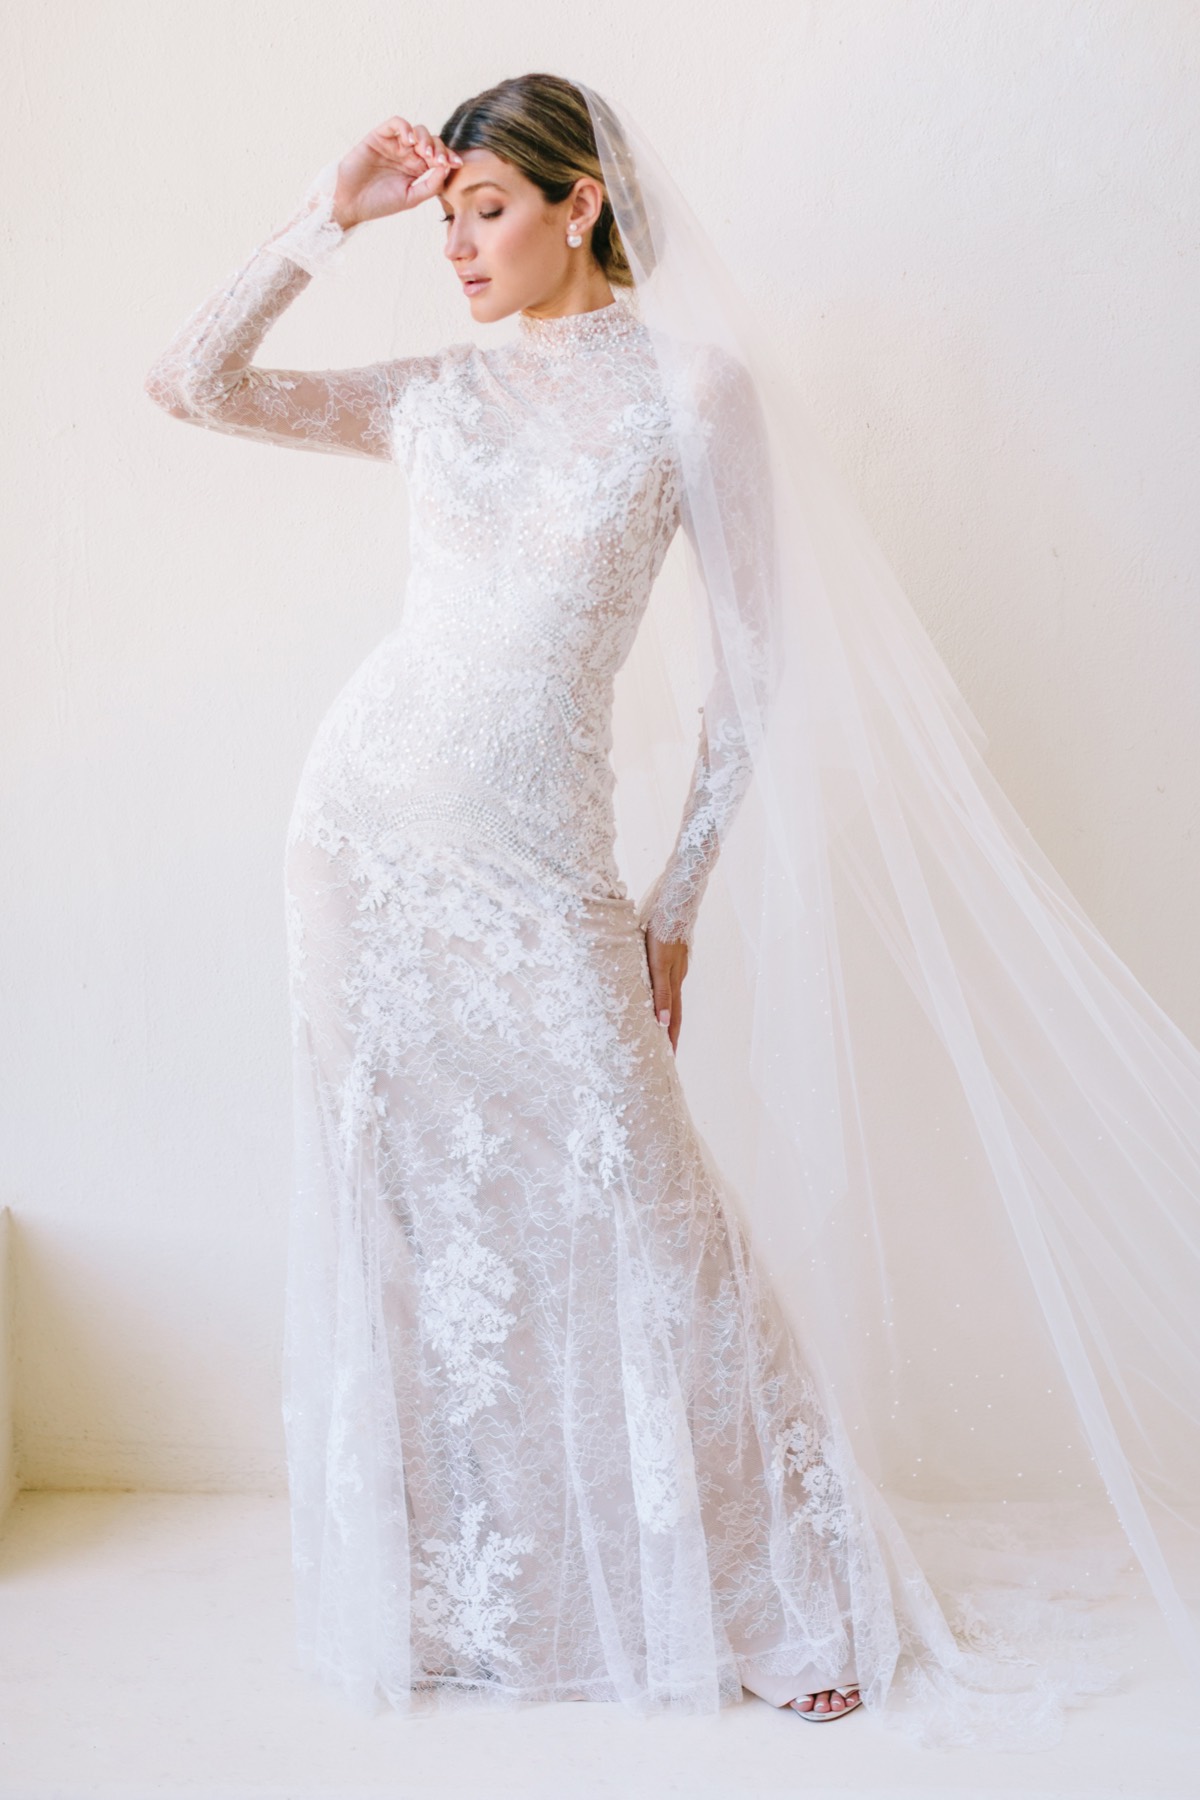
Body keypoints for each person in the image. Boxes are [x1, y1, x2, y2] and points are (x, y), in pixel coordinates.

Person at [145, 73, 1200, 1744]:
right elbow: (191, 385)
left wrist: (677, 900)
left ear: (580, 204)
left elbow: (759, 668)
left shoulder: (694, 394)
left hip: (543, 864)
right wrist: (324, 217)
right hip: (361, 846)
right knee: (414, 1219)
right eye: (442, 220)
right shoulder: (438, 394)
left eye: (485, 209)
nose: (456, 248)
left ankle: (780, 1595)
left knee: (646, 1211)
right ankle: (477, 1598)